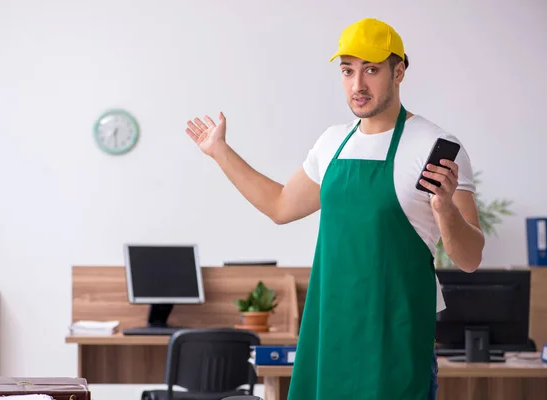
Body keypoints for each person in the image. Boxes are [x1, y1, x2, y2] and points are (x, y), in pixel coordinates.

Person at [184, 17, 485, 400]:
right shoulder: (332, 143)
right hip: (329, 337)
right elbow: (279, 206)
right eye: (348, 71)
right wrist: (220, 152)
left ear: (399, 71)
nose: (357, 85)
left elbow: (470, 257)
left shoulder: (435, 144)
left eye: (371, 70)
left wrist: (444, 208)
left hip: (396, 344)